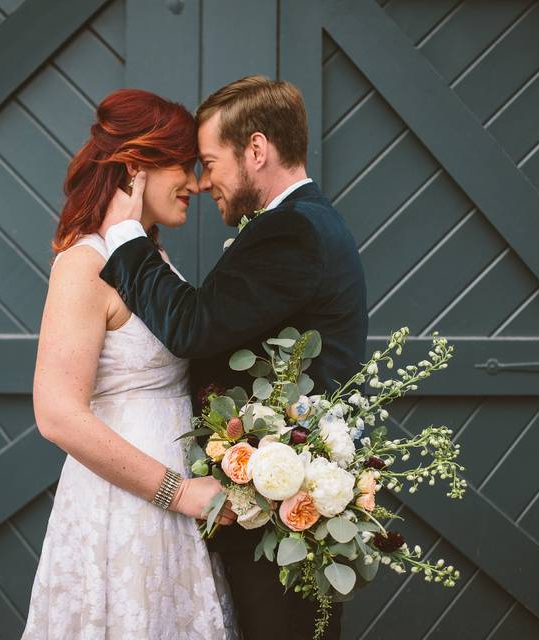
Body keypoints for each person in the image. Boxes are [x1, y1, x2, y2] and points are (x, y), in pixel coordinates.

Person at [99, 76, 368, 640]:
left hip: (282, 521)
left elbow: (193, 326)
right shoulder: (301, 224)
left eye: (209, 162)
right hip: (271, 513)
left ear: (256, 149)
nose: (202, 183)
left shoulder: (291, 231)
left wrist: (124, 236)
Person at [21, 89, 238, 640]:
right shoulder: (84, 264)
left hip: (178, 508)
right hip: (127, 508)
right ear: (137, 166)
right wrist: (178, 491)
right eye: (183, 165)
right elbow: (57, 415)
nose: (195, 182)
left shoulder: (149, 259)